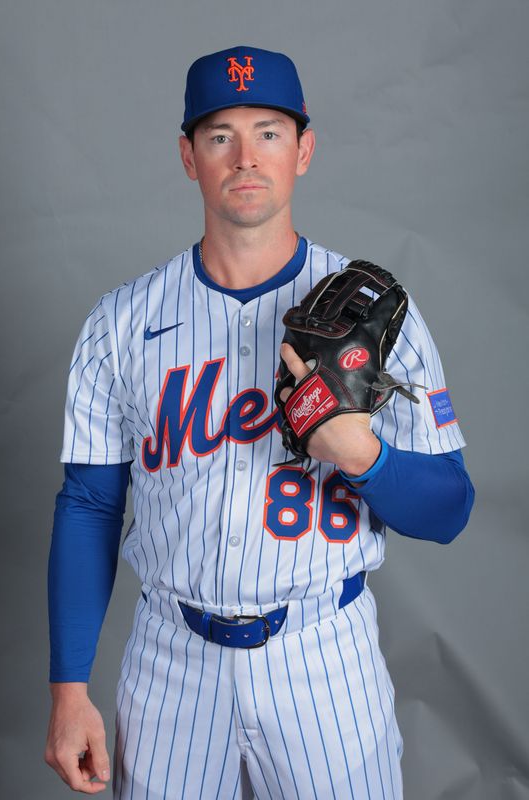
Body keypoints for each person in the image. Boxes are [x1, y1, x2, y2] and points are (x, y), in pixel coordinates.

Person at [45, 45, 474, 799]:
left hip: (323, 653)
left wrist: (362, 456)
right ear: (188, 156)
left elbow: (449, 510)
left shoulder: (374, 315)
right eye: (219, 136)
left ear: (303, 149)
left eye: (268, 132)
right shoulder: (119, 324)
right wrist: (68, 689)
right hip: (171, 659)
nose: (245, 157)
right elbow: (88, 505)